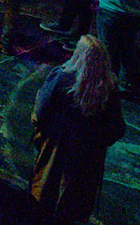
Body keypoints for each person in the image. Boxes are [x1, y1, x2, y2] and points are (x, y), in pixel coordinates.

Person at [31, 35, 127, 225]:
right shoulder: (109, 87)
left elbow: (41, 111)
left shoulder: (62, 78)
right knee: (73, 204)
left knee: (47, 196)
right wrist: (95, 141)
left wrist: (44, 132)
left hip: (57, 150)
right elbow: (117, 128)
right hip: (88, 158)